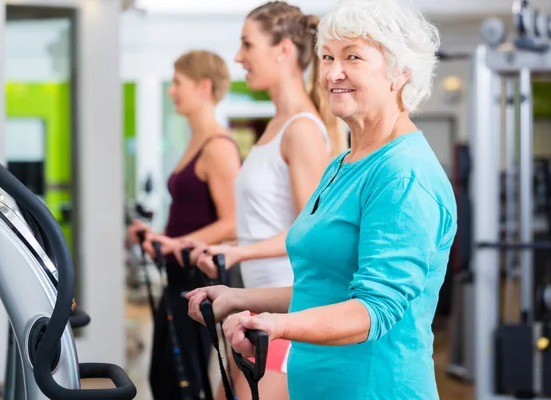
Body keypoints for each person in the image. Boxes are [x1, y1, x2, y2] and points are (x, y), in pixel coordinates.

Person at [187, 0, 457, 399]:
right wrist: (238, 298)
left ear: (400, 72)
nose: (332, 72)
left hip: (375, 388)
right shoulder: (343, 164)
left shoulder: (403, 174)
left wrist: (277, 327)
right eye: (327, 56)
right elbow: (325, 288)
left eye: (353, 57)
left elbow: (372, 311)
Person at [183, 2, 346, 399]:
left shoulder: (302, 130)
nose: (238, 57)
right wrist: (230, 247)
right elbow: (270, 221)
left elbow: (311, 234)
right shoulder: (276, 126)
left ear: (283, 49)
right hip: (255, 305)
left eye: (247, 45)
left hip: (289, 308)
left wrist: (239, 255)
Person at [127, 49, 241, 400]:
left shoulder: (218, 146)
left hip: (199, 281)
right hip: (178, 277)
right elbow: (191, 215)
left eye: (178, 83)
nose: (171, 91)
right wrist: (160, 238)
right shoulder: (194, 141)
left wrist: (178, 244)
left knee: (182, 381)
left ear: (204, 86)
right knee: (162, 377)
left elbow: (233, 223)